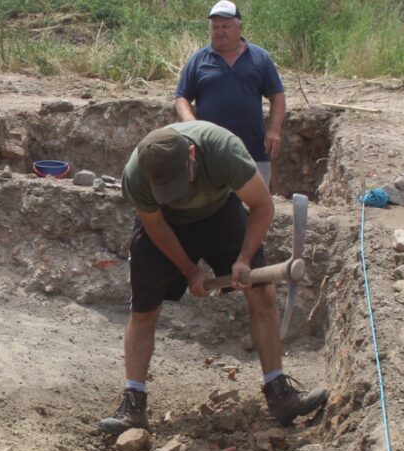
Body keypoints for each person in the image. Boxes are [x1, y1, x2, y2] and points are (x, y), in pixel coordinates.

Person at [98, 121, 328, 435]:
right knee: (143, 309)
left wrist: (244, 258)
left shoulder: (223, 151)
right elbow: (156, 226)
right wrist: (190, 270)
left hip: (220, 212)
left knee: (262, 293)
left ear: (192, 153)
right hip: (167, 225)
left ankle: (279, 394)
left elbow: (262, 205)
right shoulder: (137, 175)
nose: (178, 192)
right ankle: (133, 404)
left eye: (181, 181)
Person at [174, 0, 285, 187]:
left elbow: (277, 96)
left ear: (239, 28)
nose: (220, 31)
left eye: (225, 26)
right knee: (213, 201)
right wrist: (191, 124)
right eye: (215, 27)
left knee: (256, 201)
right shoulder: (199, 60)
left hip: (253, 150)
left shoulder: (260, 58)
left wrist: (274, 130)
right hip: (209, 151)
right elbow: (181, 97)